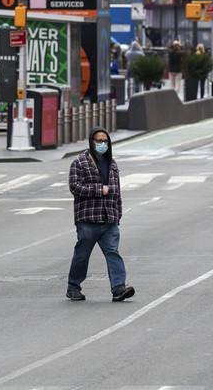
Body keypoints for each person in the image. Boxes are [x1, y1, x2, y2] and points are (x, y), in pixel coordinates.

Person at [66, 127, 134, 303]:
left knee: (113, 252)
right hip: (88, 218)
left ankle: (119, 288)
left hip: (109, 218)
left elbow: (116, 191)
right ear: (91, 141)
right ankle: (73, 287)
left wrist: (118, 214)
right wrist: (99, 190)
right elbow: (75, 187)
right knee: (82, 255)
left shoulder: (112, 164)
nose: (102, 144)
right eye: (98, 140)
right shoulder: (80, 162)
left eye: (105, 141)